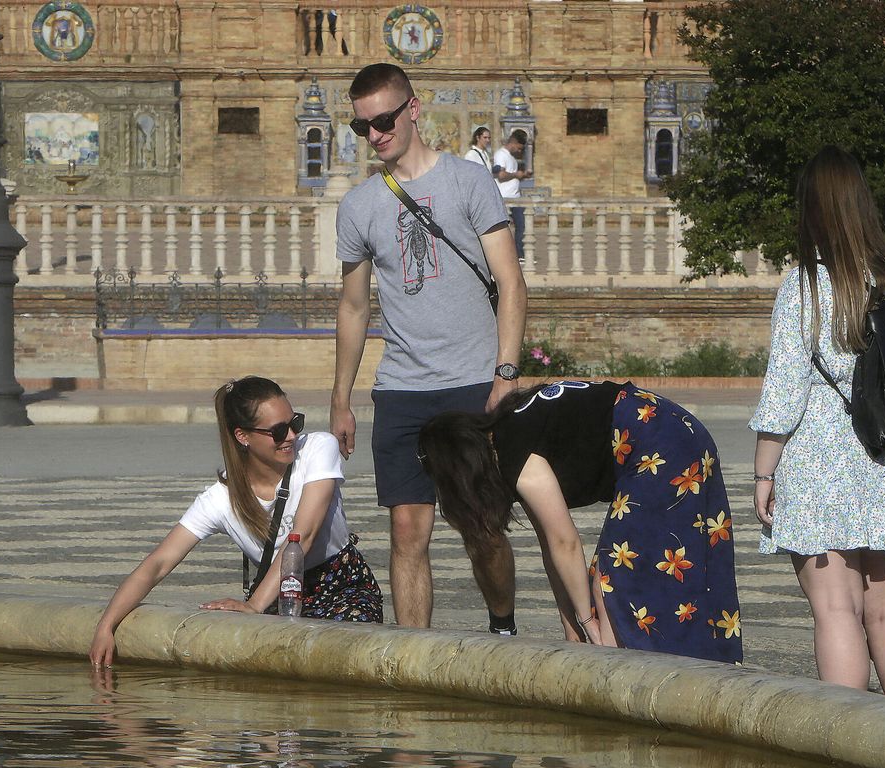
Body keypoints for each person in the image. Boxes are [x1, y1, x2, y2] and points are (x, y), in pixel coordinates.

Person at [331, 62, 527, 632]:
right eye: (362, 126)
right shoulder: (359, 205)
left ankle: (502, 621)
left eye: (384, 120)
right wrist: (341, 398)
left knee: (481, 525)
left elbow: (511, 281)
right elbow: (353, 306)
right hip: (401, 387)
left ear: (413, 110)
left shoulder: (468, 183)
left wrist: (506, 373)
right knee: (406, 530)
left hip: (470, 382)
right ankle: (411, 657)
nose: (375, 135)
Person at [749, 146, 885, 702]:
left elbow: (785, 389)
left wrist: (764, 474)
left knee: (836, 610)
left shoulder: (808, 284)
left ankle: (847, 740)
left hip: (820, 460)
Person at [419, 381, 743, 663]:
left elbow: (566, 542)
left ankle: (628, 685)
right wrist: (571, 627)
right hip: (675, 430)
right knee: (639, 580)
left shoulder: (514, 451)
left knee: (613, 581)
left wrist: (587, 621)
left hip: (662, 446)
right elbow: (551, 547)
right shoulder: (509, 436)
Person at [90, 377, 383, 671]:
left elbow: (302, 536)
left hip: (343, 589)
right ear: (243, 436)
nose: (292, 435)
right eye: (278, 431)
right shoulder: (220, 499)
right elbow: (158, 563)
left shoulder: (319, 448)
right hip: (276, 595)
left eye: (295, 422)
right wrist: (106, 625)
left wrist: (255, 605)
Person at [491, 129, 531, 261]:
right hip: (505, 197)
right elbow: (501, 175)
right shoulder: (501, 155)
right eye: (519, 148)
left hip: (515, 197)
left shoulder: (512, 158)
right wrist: (516, 174)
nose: (520, 151)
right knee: (504, 229)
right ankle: (508, 255)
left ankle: (519, 254)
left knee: (521, 226)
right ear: (514, 143)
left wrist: (522, 176)